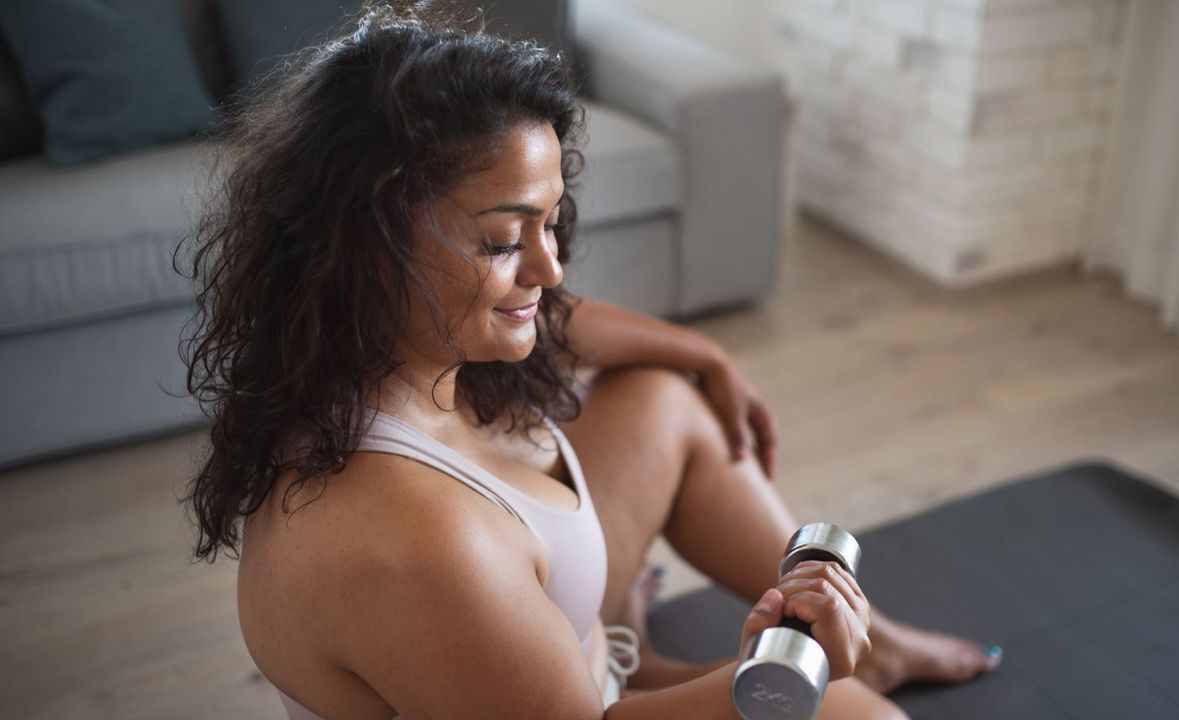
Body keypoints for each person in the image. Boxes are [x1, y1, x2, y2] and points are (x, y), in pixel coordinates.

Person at [179, 3, 1001, 718]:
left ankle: (654, 650)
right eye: (503, 239)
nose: (548, 266)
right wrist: (766, 680)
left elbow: (560, 320)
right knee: (861, 716)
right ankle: (661, 662)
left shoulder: (383, 349)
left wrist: (705, 354)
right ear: (372, 243)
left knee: (660, 396)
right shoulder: (409, 540)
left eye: (548, 222)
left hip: (533, 677)